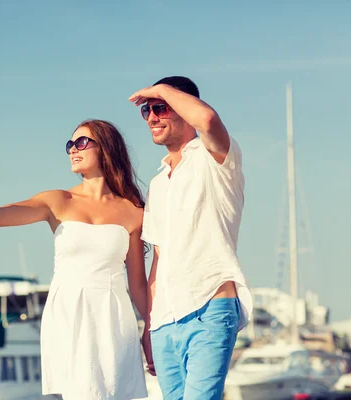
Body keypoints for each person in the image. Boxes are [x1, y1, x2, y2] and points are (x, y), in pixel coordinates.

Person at [0, 119, 149, 400]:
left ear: (107, 149)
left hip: (112, 314)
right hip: (68, 312)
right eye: (70, 145)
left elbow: (138, 284)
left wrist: (149, 330)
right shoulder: (57, 201)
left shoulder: (133, 211)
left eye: (82, 142)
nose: (73, 149)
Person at [128, 76, 253, 400]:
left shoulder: (216, 158)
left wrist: (160, 90)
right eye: (147, 111)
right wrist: (149, 325)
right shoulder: (158, 183)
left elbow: (208, 119)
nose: (152, 117)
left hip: (209, 306)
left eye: (161, 108)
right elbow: (159, 258)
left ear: (184, 107)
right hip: (165, 321)